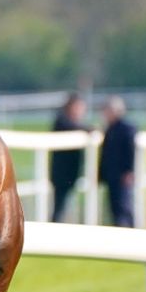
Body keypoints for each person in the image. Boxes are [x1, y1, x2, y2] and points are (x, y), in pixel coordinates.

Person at [49, 92, 91, 222]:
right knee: (60, 208)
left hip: (70, 174)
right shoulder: (62, 121)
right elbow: (71, 127)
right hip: (62, 175)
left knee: (64, 207)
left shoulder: (69, 122)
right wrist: (89, 129)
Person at [98, 96, 138, 227]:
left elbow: (131, 152)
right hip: (112, 175)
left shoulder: (127, 129)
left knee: (123, 208)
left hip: (122, 176)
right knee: (115, 208)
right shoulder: (110, 129)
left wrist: (129, 171)